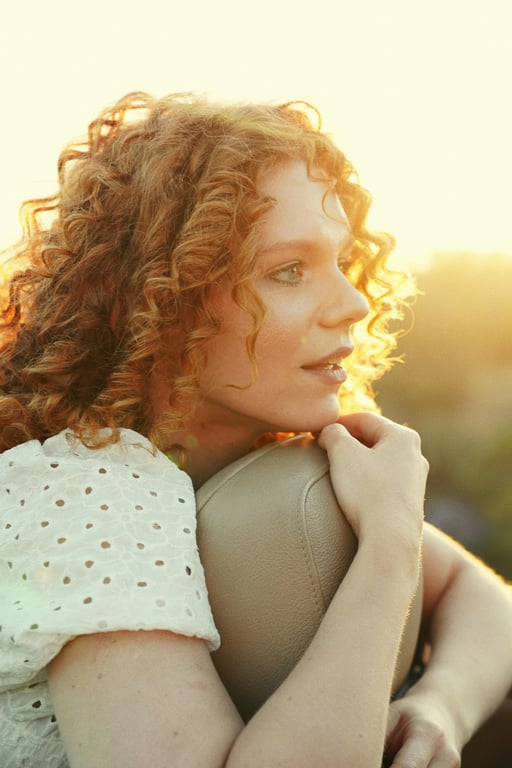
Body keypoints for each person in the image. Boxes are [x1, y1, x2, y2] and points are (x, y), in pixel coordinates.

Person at [0, 91, 511, 768]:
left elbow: (488, 599)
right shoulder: (91, 488)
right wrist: (389, 549)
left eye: (343, 261)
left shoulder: (281, 460)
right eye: (288, 271)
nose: (356, 302)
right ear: (161, 299)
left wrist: (441, 704)